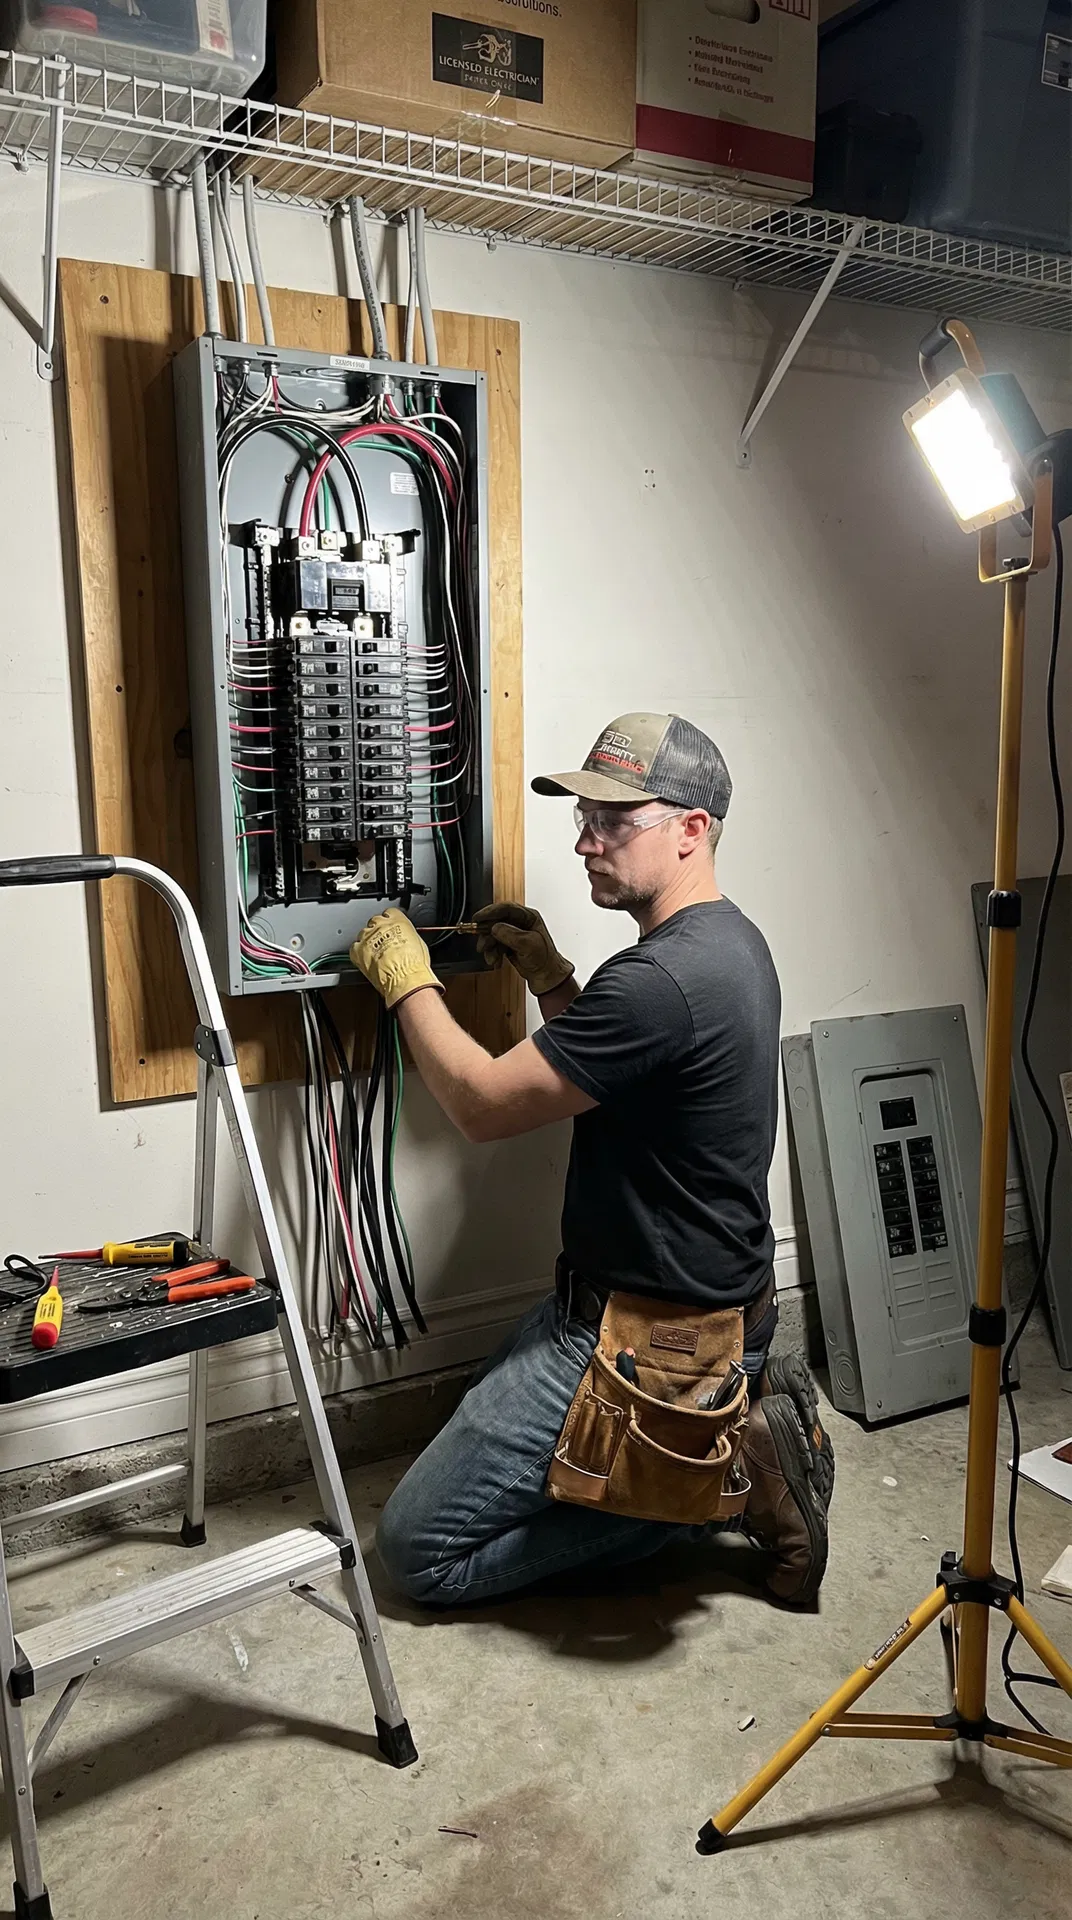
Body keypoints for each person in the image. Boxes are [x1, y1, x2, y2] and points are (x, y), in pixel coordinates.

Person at [351, 712, 834, 1609]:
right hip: (673, 1302)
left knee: (417, 1553)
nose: (584, 842)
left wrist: (408, 979)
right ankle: (714, 1438)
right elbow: (628, 1075)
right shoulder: (728, 944)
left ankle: (716, 1479)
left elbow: (485, 1106)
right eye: (585, 818)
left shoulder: (657, 981)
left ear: (692, 830)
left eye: (615, 821)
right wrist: (550, 977)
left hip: (655, 1337)